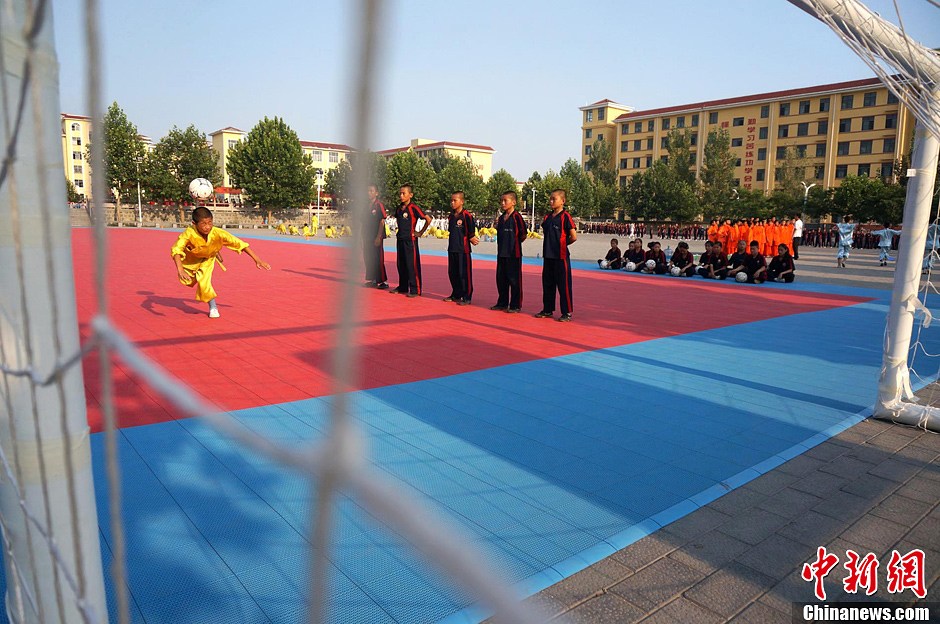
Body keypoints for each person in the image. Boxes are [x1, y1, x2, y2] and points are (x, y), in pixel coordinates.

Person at [171, 207, 270, 318]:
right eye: (203, 224)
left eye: (210, 222)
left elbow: (239, 244)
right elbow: (176, 250)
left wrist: (257, 259)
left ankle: (213, 307)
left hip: (207, 260)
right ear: (194, 223)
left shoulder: (218, 233)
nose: (207, 227)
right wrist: (180, 270)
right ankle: (214, 249)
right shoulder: (188, 234)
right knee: (188, 282)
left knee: (204, 283)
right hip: (191, 260)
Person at [534, 189, 577, 322]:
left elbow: (573, 237)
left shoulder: (566, 217)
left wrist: (562, 245)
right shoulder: (547, 217)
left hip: (561, 257)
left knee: (563, 285)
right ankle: (547, 309)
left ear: (563, 201)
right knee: (547, 284)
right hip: (548, 256)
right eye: (550, 199)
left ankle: (567, 312)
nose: (551, 201)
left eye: (554, 199)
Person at [492, 190, 528, 312]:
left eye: (505, 201)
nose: (502, 203)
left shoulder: (517, 217)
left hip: (514, 254)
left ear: (513, 202)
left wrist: (514, 244)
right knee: (501, 279)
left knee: (514, 280)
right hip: (501, 253)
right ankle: (502, 302)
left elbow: (523, 234)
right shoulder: (501, 218)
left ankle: (515, 305)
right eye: (501, 201)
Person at [391, 184, 429, 297]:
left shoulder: (414, 208)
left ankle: (415, 289)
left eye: (404, 193)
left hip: (410, 240)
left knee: (411, 264)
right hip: (400, 239)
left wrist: (420, 232)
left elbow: (428, 219)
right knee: (401, 264)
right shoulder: (399, 208)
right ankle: (403, 286)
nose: (401, 196)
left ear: (410, 195)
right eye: (400, 193)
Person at [445, 191, 479, 305]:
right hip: (452, 248)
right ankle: (456, 294)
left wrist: (472, 238)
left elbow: (471, 232)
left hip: (463, 250)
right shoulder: (451, 216)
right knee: (452, 273)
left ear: (462, 201)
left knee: (464, 274)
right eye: (451, 200)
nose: (452, 203)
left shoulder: (467, 216)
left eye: (455, 200)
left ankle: (467, 296)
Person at [363, 184, 389, 289]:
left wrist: (378, 236)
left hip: (376, 236)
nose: (369, 193)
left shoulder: (379, 205)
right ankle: (372, 279)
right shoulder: (365, 206)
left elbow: (382, 221)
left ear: (376, 193)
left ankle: (382, 281)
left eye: (371, 191)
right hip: (367, 236)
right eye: (368, 191)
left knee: (378, 258)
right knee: (368, 258)